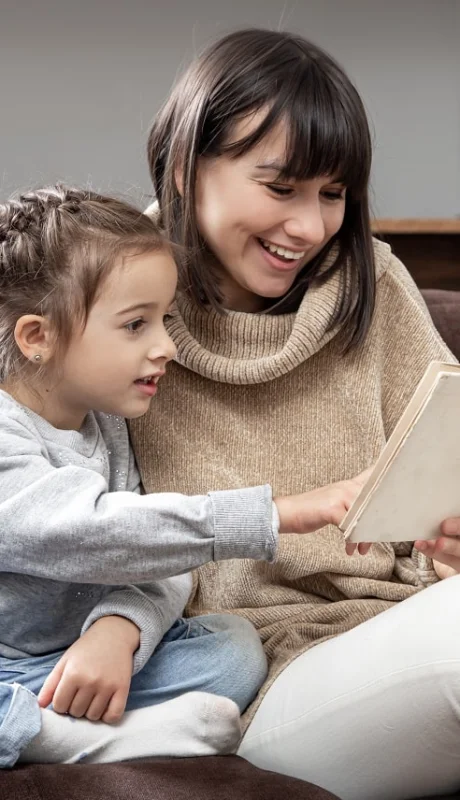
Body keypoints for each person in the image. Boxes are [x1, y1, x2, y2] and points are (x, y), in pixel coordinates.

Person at [131, 28, 460, 800]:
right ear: (186, 168)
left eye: (333, 194)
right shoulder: (110, 301)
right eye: (281, 189)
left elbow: (437, 490)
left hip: (412, 622)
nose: (311, 229)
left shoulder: (371, 280)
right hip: (259, 675)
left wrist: (446, 543)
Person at [0, 184, 366, 769]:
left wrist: (119, 628)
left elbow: (161, 558)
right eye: (135, 325)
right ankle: (60, 737)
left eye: (163, 320)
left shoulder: (107, 426)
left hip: (68, 661)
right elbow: (80, 529)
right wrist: (274, 513)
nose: (166, 347)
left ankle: (54, 722)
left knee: (233, 650)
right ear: (38, 337)